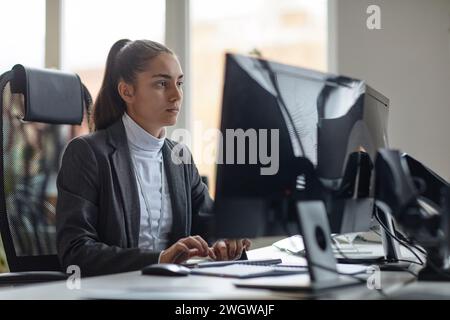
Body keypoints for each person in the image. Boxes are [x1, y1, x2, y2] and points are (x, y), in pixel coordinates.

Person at [56, 39, 250, 276]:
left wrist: (224, 242)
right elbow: (75, 252)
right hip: (114, 290)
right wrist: (159, 258)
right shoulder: (88, 153)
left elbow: (211, 224)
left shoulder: (180, 158)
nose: (176, 95)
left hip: (172, 286)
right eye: (161, 84)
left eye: (179, 83)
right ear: (127, 91)